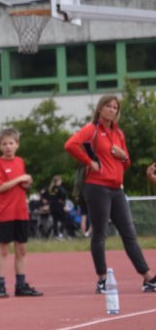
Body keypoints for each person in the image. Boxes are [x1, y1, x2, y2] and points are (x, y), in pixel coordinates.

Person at [65, 94, 156, 293]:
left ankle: (149, 278)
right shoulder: (92, 130)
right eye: (109, 106)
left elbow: (126, 163)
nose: (112, 110)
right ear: (100, 108)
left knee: (129, 233)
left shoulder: (118, 133)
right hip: (97, 187)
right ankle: (102, 280)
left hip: (117, 189)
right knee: (100, 233)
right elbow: (70, 144)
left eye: (115, 107)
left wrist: (123, 157)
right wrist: (89, 162)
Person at [0, 127, 43, 298]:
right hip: (5, 212)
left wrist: (26, 183)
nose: (8, 147)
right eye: (4, 144)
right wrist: (20, 178)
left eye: (11, 143)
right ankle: (0, 286)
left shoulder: (20, 162)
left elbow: (20, 185)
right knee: (4, 249)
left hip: (20, 211)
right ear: (0, 146)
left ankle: (21, 285)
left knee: (21, 249)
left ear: (17, 144)